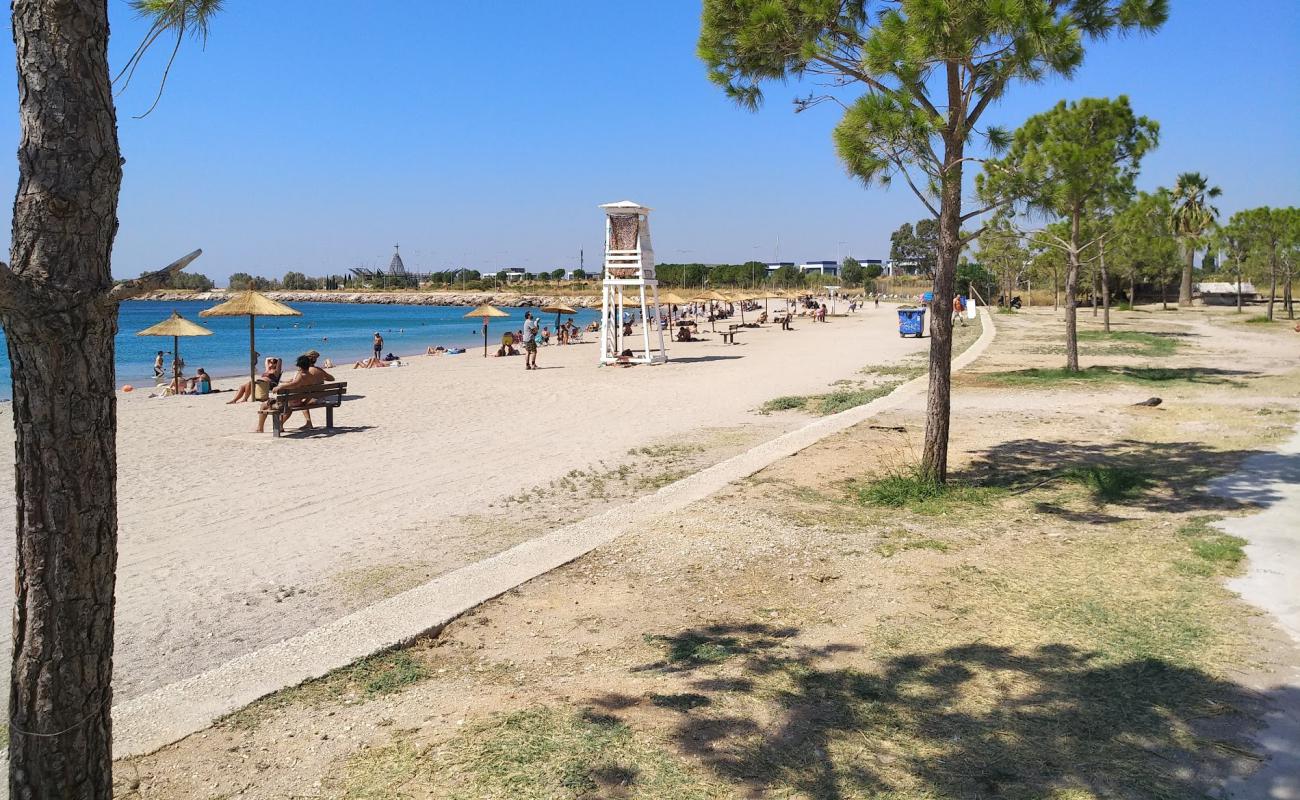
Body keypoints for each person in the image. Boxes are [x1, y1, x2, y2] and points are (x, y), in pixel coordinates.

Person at [257, 354, 325, 433]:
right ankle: (280, 425)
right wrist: (305, 402)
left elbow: (295, 383)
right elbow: (302, 387)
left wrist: (281, 387)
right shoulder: (311, 376)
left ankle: (260, 428)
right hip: (298, 402)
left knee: (264, 405)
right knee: (288, 407)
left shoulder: (301, 375)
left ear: (299, 366)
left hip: (290, 403)